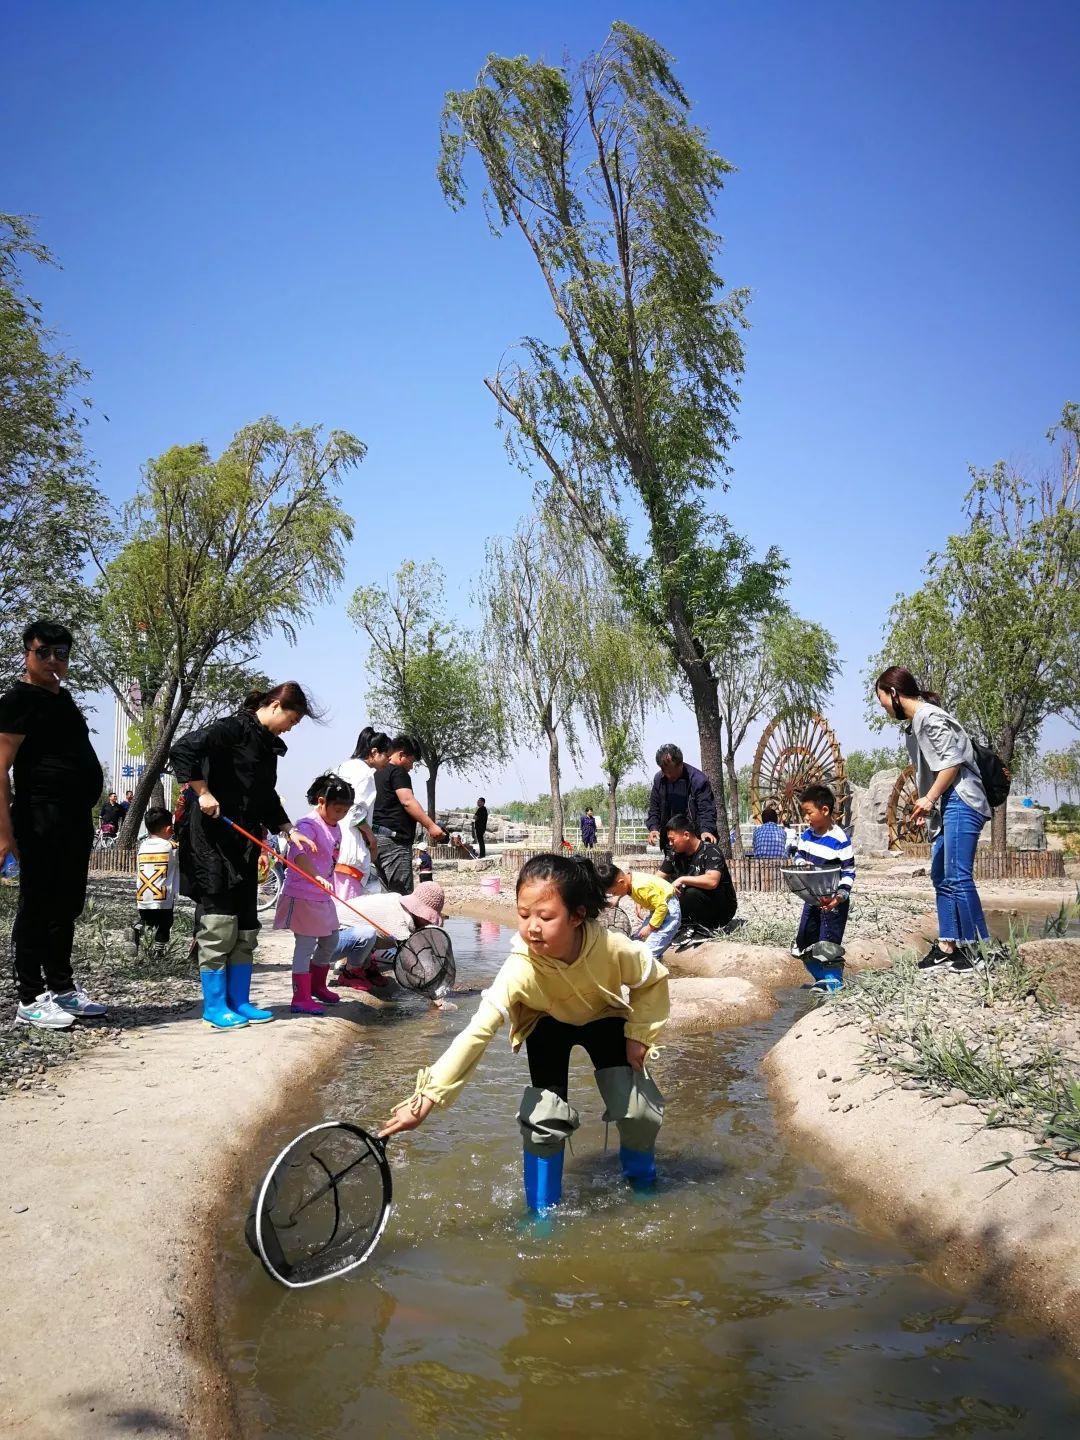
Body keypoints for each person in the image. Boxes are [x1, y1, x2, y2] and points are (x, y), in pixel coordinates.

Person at [379, 855, 669, 1210]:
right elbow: (477, 1031)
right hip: (547, 1025)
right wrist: (427, 1097)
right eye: (523, 914)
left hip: (604, 1020)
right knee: (544, 1119)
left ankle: (643, 1188)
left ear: (577, 916)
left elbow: (651, 980)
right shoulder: (520, 966)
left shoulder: (610, 946)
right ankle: (542, 1214)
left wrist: (639, 1034)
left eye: (545, 917)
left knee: (637, 1111)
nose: (532, 927)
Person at [170, 681, 320, 1030]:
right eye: (292, 721)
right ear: (275, 706)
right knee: (219, 922)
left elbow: (264, 795)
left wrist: (287, 828)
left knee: (247, 924)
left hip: (246, 841)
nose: (291, 729)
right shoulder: (234, 727)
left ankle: (240, 1000)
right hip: (212, 838)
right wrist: (202, 791)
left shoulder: (267, 746)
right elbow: (183, 748)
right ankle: (214, 1005)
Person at [0, 621, 108, 1029]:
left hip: (73, 819)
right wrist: (4, 832)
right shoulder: (16, 701)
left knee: (67, 904)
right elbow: (0, 768)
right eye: (43, 652)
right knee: (39, 904)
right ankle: (30, 997)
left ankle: (62, 988)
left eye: (60, 653)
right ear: (27, 653)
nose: (51, 660)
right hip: (39, 816)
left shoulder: (64, 701)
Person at [875, 666, 991, 970]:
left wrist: (928, 798)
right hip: (945, 807)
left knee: (958, 875)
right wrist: (928, 805)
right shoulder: (915, 725)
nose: (884, 707)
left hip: (962, 800)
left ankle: (979, 948)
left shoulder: (930, 717)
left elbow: (952, 763)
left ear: (894, 693)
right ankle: (947, 945)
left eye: (882, 700)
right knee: (941, 875)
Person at [275, 772, 353, 1015]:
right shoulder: (308, 824)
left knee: (331, 940)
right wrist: (316, 876)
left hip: (322, 895)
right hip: (304, 893)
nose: (341, 814)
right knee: (305, 945)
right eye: (337, 809)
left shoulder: (335, 826)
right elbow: (297, 854)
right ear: (321, 802)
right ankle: (300, 996)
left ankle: (318, 986)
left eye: (345, 810)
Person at [787, 785, 855, 992]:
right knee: (805, 938)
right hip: (813, 899)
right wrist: (800, 864)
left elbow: (849, 871)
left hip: (833, 901)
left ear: (824, 810)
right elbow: (798, 854)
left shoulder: (839, 839)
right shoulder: (807, 835)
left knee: (828, 941)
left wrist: (840, 896)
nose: (806, 818)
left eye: (809, 812)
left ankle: (833, 982)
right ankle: (820, 977)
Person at [332, 881, 447, 995]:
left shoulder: (399, 902)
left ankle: (366, 969)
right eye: (427, 919)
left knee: (373, 934)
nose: (427, 923)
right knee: (368, 934)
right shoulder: (399, 922)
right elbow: (413, 962)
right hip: (330, 940)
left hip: (348, 934)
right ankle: (350, 973)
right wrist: (434, 994)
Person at [371, 735, 447, 894]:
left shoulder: (376, 773)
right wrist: (431, 826)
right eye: (411, 761)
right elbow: (407, 801)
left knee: (387, 897)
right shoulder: (398, 772)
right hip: (394, 842)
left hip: (377, 840)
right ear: (401, 754)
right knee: (402, 897)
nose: (411, 767)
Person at [334, 727, 391, 906]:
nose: (388, 762)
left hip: (335, 844)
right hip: (351, 848)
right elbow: (355, 812)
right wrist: (371, 837)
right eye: (386, 757)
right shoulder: (365, 774)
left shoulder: (343, 767)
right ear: (374, 752)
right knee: (347, 909)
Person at [660, 814, 737, 939]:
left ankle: (699, 929)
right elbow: (658, 877)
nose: (670, 843)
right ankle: (683, 925)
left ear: (686, 835)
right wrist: (643, 891)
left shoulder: (711, 850)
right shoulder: (674, 854)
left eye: (672, 839)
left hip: (720, 909)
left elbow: (712, 881)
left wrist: (682, 879)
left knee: (690, 891)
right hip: (690, 905)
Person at [596, 861, 682, 959]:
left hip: (668, 910)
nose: (614, 895)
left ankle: (654, 968)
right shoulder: (629, 878)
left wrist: (650, 927)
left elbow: (662, 906)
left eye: (614, 893)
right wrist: (636, 901)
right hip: (658, 909)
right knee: (638, 939)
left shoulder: (639, 887)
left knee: (649, 951)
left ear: (621, 882)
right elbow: (645, 893)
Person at [646, 744, 719, 850]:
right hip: (671, 841)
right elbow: (654, 808)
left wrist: (706, 830)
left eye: (671, 771)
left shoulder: (698, 780)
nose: (668, 775)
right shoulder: (659, 780)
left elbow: (707, 810)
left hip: (695, 839)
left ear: (680, 764)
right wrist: (654, 828)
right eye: (665, 771)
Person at [130, 806, 179, 955]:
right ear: (168, 829)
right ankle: (159, 953)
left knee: (148, 921)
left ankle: (138, 927)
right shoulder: (171, 847)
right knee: (164, 924)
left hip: (143, 896)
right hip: (162, 897)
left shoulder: (142, 846)